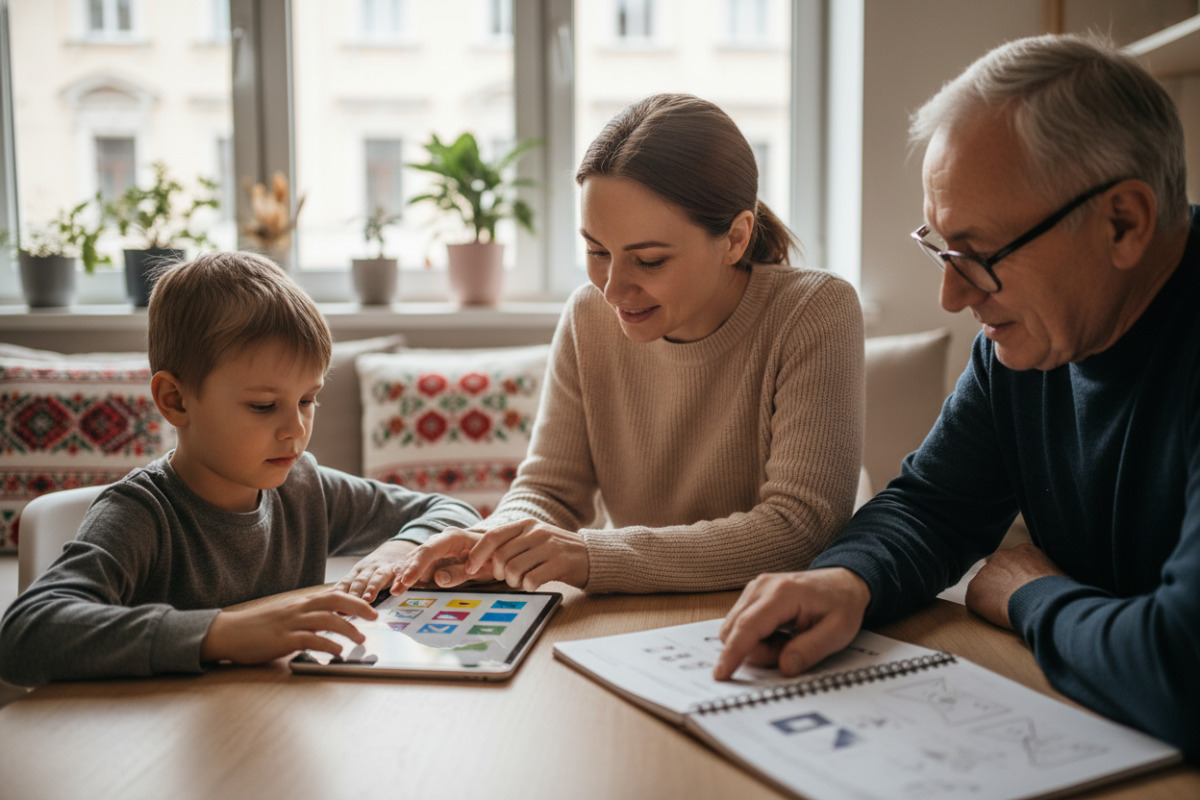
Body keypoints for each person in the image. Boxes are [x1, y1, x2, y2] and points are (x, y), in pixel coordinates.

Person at [714, 34, 1199, 758]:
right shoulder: (1029, 343)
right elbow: (933, 505)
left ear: (1123, 222)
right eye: (941, 248)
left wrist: (1029, 594)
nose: (950, 296)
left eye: (978, 255)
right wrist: (849, 580)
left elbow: (1182, 671)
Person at [336, 93, 864, 600]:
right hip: (625, 615)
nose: (612, 290)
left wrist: (592, 556)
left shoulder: (815, 311)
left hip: (765, 617)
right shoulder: (589, 315)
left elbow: (800, 528)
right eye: (595, 250)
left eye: (650, 260)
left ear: (735, 238)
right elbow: (549, 490)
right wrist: (490, 544)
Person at [0, 252, 480, 686]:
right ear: (175, 399)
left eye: (307, 400)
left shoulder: (304, 487)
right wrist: (221, 634)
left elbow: (451, 510)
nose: (295, 430)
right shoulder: (142, 514)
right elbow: (26, 634)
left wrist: (400, 547)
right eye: (263, 405)